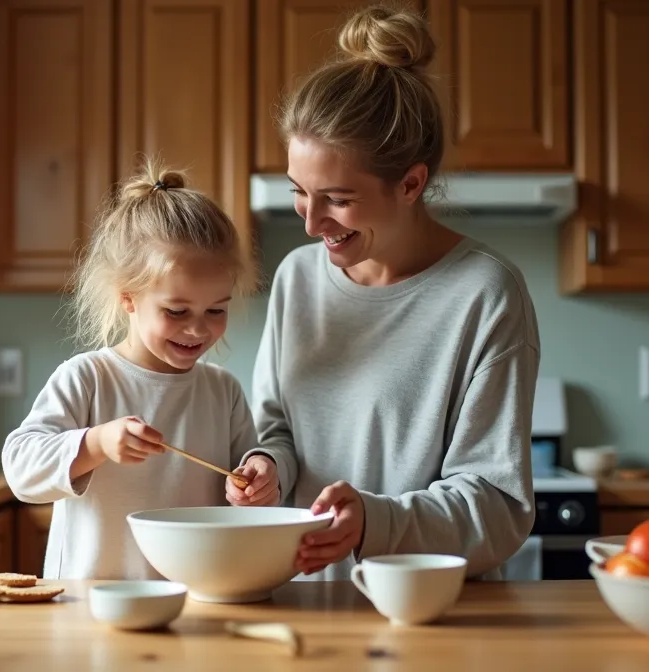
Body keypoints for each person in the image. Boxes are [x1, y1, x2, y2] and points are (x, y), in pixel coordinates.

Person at [225, 4, 540, 581]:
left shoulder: (485, 293)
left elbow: (498, 508)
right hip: (305, 604)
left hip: (432, 612)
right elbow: (278, 431)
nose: (311, 221)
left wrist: (375, 521)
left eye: (338, 199)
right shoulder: (298, 278)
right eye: (299, 191)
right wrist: (265, 465)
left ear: (411, 183)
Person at [1, 161, 264, 580]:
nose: (198, 328)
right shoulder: (87, 378)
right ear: (128, 299)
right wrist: (97, 443)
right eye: (176, 311)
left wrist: (255, 481)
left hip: (193, 602)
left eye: (216, 309)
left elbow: (244, 483)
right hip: (91, 609)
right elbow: (20, 470)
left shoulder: (223, 391)